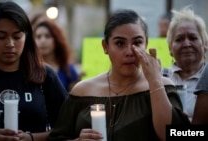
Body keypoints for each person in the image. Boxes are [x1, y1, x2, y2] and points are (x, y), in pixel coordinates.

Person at [48, 9, 190, 141]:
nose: (129, 51)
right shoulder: (82, 91)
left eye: (137, 42)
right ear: (105, 46)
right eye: (120, 43)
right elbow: (57, 137)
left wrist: (155, 82)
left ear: (146, 44)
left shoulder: (163, 86)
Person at [0, 1, 67, 141]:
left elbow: (66, 129)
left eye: (17, 37)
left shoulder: (45, 76)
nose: (10, 44)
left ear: (26, 38)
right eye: (1, 37)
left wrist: (31, 138)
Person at [165, 6, 208, 121]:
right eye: (179, 39)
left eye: (193, 38)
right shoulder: (160, 79)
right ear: (170, 48)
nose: (186, 44)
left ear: (205, 44)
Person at [32, 17, 80, 91]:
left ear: (57, 39)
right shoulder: (29, 68)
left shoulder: (68, 70)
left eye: (47, 36)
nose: (43, 41)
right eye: (38, 37)